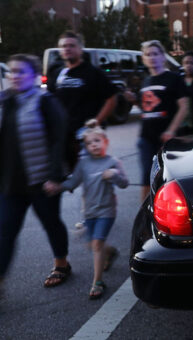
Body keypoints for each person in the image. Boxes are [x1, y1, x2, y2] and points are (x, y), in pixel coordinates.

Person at [0, 54, 70, 290]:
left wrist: (54, 176)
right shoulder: (5, 102)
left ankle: (61, 264)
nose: (15, 76)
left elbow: (59, 139)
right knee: (5, 230)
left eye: (21, 71)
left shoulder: (45, 100)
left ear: (34, 75)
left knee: (51, 223)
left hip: (42, 180)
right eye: (11, 72)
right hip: (11, 183)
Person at [45, 120, 128, 299]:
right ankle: (110, 252)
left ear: (105, 141)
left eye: (97, 141)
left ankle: (97, 282)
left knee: (96, 244)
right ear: (86, 146)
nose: (93, 145)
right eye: (89, 143)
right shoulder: (83, 164)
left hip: (107, 211)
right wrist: (57, 187)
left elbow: (124, 183)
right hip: (89, 212)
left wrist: (114, 175)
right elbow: (73, 182)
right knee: (91, 243)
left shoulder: (113, 162)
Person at [47, 31, 117, 171]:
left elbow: (112, 98)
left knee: (91, 176)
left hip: (85, 136)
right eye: (64, 46)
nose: (67, 49)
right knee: (59, 175)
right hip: (62, 134)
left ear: (80, 49)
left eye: (72, 45)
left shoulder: (93, 72)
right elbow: (50, 100)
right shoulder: (56, 72)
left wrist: (96, 122)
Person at [137, 40, 189, 201]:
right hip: (146, 137)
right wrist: (133, 100)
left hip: (167, 137)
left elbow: (184, 106)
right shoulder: (145, 81)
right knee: (146, 175)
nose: (151, 57)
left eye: (155, 53)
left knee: (168, 177)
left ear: (163, 57)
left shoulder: (173, 78)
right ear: (143, 59)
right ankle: (144, 214)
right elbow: (147, 108)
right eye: (148, 54)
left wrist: (171, 130)